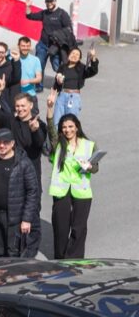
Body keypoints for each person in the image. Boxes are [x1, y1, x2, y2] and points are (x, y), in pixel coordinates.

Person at [46, 93, 98, 259]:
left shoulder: (89, 145)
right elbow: (50, 129)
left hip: (81, 190)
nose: (67, 130)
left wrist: (90, 167)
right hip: (61, 190)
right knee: (61, 227)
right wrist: (50, 109)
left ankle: (75, 260)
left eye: (70, 126)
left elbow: (95, 168)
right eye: (64, 127)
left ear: (77, 127)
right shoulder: (58, 143)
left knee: (79, 228)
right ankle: (60, 259)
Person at [0, 129, 41, 258]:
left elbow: (32, 192)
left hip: (15, 217)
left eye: (6, 142)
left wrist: (26, 219)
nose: (2, 145)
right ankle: (2, 271)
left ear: (13, 143)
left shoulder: (23, 163)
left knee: (14, 252)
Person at [25, 0, 74, 81]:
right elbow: (30, 16)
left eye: (51, 2)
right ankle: (38, 86)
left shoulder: (62, 13)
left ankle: (62, 83)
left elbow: (69, 29)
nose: (49, 4)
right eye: (47, 2)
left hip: (56, 46)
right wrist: (28, 6)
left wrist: (59, 37)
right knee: (39, 65)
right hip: (43, 44)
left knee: (56, 67)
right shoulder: (44, 13)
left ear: (55, 1)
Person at [52, 46, 98, 126]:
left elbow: (93, 71)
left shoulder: (82, 68)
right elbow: (56, 83)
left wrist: (93, 57)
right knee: (56, 121)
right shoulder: (62, 67)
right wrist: (58, 80)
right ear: (68, 55)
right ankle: (57, 134)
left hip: (73, 97)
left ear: (79, 58)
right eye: (73, 53)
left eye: (77, 55)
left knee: (70, 122)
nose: (74, 55)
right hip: (61, 96)